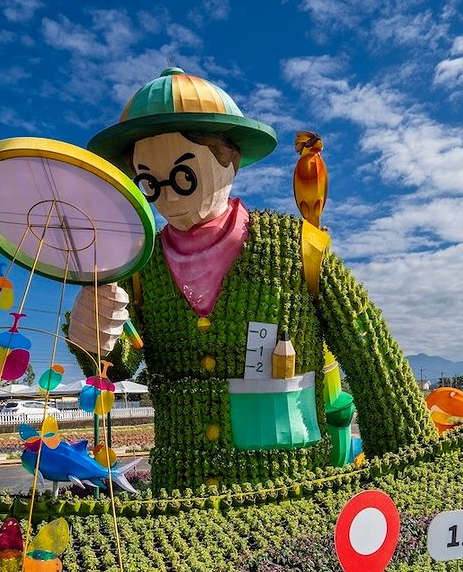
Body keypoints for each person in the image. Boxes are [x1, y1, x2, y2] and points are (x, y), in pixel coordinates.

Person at [68, 67, 436, 489]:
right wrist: (96, 337)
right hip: (180, 488)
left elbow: (369, 354)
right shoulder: (137, 265)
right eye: (150, 183)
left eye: (184, 176)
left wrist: (413, 474)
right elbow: (119, 368)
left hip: (290, 487)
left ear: (229, 162)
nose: (166, 197)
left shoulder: (298, 247)